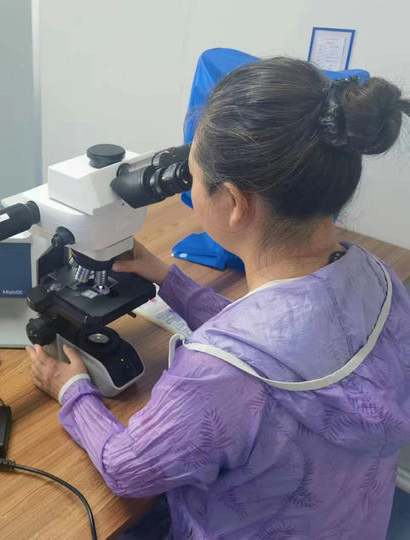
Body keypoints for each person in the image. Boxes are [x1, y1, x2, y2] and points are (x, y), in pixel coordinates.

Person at [26, 57, 410, 539]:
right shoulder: (380, 280)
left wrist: (71, 390)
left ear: (234, 202)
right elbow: (283, 344)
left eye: (192, 177)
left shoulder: (217, 375)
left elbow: (129, 468)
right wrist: (168, 279)